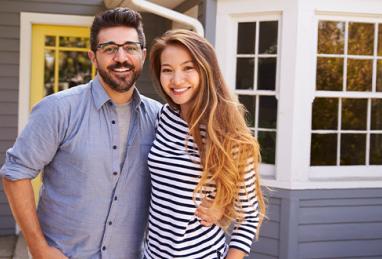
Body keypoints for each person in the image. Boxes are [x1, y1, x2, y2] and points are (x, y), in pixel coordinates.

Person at [0, 8, 161, 259]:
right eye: (109, 48)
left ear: (142, 55)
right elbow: (15, 174)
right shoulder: (57, 109)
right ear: (93, 58)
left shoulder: (159, 118)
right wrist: (38, 248)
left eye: (130, 48)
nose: (121, 57)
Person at [143, 29, 266, 259]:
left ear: (206, 70)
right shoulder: (163, 117)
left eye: (188, 68)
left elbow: (249, 216)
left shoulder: (230, 135)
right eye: (167, 70)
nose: (176, 80)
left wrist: (224, 207)